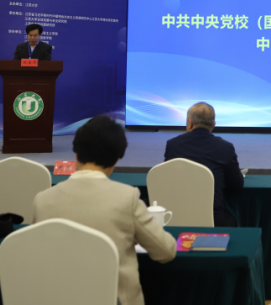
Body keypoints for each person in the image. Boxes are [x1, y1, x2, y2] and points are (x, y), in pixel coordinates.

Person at [34, 116, 176, 305]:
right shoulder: (128, 198)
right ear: (116, 159)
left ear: (76, 154)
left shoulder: (42, 200)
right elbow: (166, 251)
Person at [164, 102, 244, 227]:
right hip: (214, 221)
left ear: (189, 123)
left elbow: (168, 180)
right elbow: (236, 185)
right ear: (213, 124)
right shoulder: (225, 148)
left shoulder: (173, 145)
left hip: (176, 219)